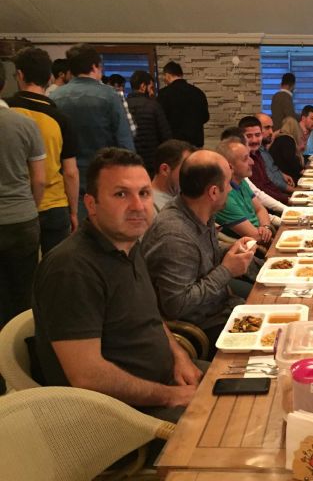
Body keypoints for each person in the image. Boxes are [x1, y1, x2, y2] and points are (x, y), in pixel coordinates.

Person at [33, 148, 201, 420]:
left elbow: (150, 317)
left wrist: (179, 356)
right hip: (120, 418)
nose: (138, 206)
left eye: (144, 193)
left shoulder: (128, 245)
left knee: (259, 383)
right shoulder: (71, 268)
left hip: (165, 385)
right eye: (121, 194)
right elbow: (87, 376)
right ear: (91, 204)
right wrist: (171, 396)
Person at [142, 150, 257, 346]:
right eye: (228, 184)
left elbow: (200, 255)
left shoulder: (198, 210)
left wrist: (230, 250)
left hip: (222, 306)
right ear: (213, 192)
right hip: (202, 327)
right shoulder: (173, 235)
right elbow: (177, 306)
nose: (230, 190)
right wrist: (227, 270)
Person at [7, 47, 79, 254]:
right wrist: (74, 212)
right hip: (54, 205)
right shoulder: (60, 119)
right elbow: (70, 172)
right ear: (49, 77)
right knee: (54, 266)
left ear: (19, 75)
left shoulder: (7, 111)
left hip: (15, 207)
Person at [51, 43, 135, 220]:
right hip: (104, 176)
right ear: (95, 66)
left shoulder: (55, 97)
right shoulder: (110, 95)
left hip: (66, 180)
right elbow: (124, 141)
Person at [0, 63, 46, 327]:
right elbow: (39, 179)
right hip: (21, 218)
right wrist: (31, 206)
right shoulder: (25, 124)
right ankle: (19, 346)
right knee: (24, 295)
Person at [215, 141, 274, 245]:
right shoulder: (224, 197)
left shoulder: (241, 181)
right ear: (230, 167)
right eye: (245, 159)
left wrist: (265, 227)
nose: (252, 162)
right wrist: (266, 230)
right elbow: (255, 236)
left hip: (264, 236)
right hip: (252, 248)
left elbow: (260, 209)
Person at [219, 128, 287, 217]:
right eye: (248, 141)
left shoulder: (242, 181)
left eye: (258, 135)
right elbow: (259, 195)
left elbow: (258, 209)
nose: (254, 141)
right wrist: (287, 204)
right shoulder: (227, 191)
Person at [127, 70, 173, 176]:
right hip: (151, 161)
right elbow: (166, 136)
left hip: (130, 160)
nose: (152, 92)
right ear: (143, 86)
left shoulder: (122, 106)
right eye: (151, 88)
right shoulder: (153, 106)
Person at [238, 115, 289, 205]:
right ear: (241, 137)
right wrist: (287, 200)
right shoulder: (242, 159)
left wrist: (286, 198)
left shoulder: (258, 153)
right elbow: (259, 192)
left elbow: (268, 183)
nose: (254, 140)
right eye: (249, 136)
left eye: (257, 135)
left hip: (275, 202)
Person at [157, 61, 209, 148]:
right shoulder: (198, 92)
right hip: (195, 142)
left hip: (174, 144)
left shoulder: (164, 94)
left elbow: (161, 120)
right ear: (181, 75)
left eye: (164, 76)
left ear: (167, 75)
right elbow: (205, 117)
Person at [151, 139, 196, 213]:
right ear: (164, 169)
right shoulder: (150, 207)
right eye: (186, 169)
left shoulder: (182, 199)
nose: (191, 177)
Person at [255, 112, 294, 193]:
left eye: (271, 128)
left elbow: (272, 167)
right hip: (277, 194)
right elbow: (271, 179)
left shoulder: (263, 147)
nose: (271, 132)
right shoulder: (256, 152)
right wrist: (295, 190)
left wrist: (282, 175)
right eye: (267, 128)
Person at [269, 116, 305, 184]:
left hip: (279, 175)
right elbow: (290, 158)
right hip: (287, 177)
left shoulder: (278, 138)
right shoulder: (287, 139)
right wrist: (301, 170)